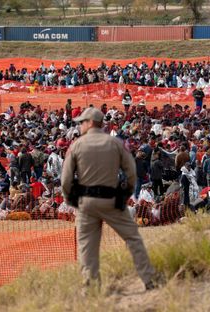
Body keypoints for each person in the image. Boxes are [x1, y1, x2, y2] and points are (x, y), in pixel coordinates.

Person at [61, 107, 156, 292]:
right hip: (111, 200)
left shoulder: (76, 145)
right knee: (133, 238)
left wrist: (71, 201)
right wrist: (124, 195)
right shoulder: (115, 143)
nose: (80, 126)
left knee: (87, 247)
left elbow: (65, 180)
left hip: (86, 202)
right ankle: (149, 280)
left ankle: (91, 289)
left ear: (90, 123)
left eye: (82, 122)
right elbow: (131, 172)